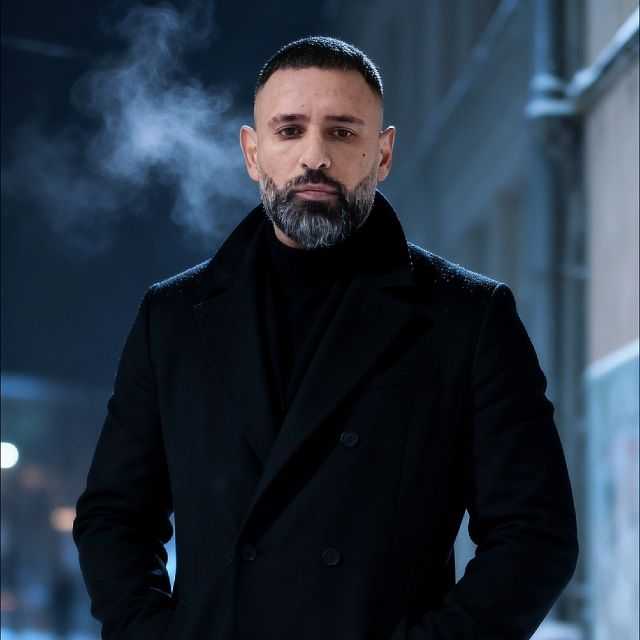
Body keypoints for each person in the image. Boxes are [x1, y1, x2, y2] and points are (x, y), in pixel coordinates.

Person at [73, 36, 579, 640]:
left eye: (342, 132)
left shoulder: (468, 317)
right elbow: (114, 518)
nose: (314, 156)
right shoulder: (174, 319)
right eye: (289, 130)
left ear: (382, 153)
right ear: (252, 152)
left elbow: (535, 535)